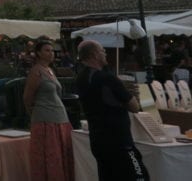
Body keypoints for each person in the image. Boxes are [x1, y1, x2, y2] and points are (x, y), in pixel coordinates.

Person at [75, 40, 149, 181]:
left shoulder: (81, 78)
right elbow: (134, 106)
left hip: (98, 139)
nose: (105, 54)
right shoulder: (107, 78)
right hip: (119, 141)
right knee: (138, 176)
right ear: (95, 54)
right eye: (103, 51)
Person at [23, 40, 74, 181]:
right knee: (51, 156)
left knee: (62, 154)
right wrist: (32, 114)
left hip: (60, 117)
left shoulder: (50, 70)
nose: (51, 53)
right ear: (38, 53)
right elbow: (27, 97)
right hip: (45, 118)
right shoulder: (36, 72)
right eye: (47, 50)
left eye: (52, 50)